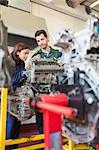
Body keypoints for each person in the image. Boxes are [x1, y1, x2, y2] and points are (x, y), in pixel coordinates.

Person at [32, 30, 62, 134]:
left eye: (42, 39)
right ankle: (42, 143)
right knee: (41, 119)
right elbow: (32, 76)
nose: (40, 43)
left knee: (55, 117)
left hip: (55, 91)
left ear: (47, 38)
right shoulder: (35, 56)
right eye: (38, 41)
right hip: (41, 92)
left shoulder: (58, 54)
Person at [6, 42, 29, 150]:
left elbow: (20, 81)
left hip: (18, 98)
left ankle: (14, 147)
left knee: (16, 126)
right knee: (10, 127)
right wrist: (24, 73)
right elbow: (12, 80)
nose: (27, 56)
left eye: (28, 53)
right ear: (18, 52)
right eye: (25, 53)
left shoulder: (22, 63)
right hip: (8, 98)